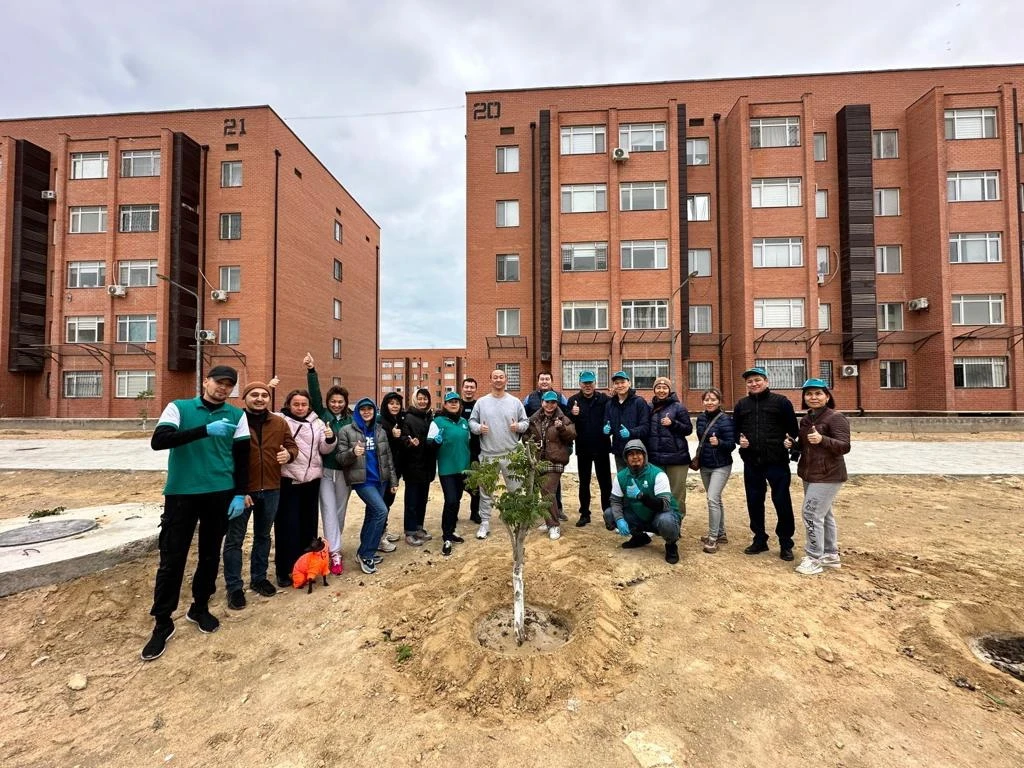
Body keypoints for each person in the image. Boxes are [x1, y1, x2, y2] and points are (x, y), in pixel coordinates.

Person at [142, 365, 250, 661]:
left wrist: (240, 493)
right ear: (206, 381)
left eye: (229, 384)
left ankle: (199, 606)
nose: (223, 388)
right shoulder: (178, 408)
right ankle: (163, 621)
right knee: (172, 558)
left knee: (209, 554)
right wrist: (204, 430)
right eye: (218, 382)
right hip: (182, 494)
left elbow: (242, 457)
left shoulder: (237, 416)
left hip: (219, 492)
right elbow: (159, 441)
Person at [223, 381, 298, 610]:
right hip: (242, 491)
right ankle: (234, 587)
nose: (259, 398)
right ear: (245, 398)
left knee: (263, 536)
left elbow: (291, 446)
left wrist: (290, 455)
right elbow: (226, 456)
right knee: (235, 539)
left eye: (264, 395)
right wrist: (239, 490)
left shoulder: (279, 422)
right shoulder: (235, 421)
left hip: (272, 488)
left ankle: (259, 578)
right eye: (254, 394)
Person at [732, 366, 800, 561]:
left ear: (766, 381)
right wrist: (739, 439)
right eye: (750, 381)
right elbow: (735, 430)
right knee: (754, 501)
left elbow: (793, 430)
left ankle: (786, 542)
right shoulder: (741, 405)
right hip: (752, 461)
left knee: (781, 501)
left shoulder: (781, 402)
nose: (753, 384)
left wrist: (790, 441)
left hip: (776, 461)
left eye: (757, 380)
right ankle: (759, 538)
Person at [785, 378, 851, 575]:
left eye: (818, 393)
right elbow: (807, 445)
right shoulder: (807, 419)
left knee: (811, 514)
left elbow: (844, 446)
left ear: (827, 396)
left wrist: (823, 439)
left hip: (828, 474)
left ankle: (814, 558)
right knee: (824, 514)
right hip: (810, 473)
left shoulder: (835, 417)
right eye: (809, 394)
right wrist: (793, 445)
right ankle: (830, 554)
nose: (813, 397)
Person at [273, 387, 335, 588]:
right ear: (289, 405)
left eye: (304, 404)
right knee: (287, 527)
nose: (300, 408)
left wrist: (329, 438)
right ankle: (285, 569)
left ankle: (307, 566)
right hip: (288, 480)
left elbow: (323, 449)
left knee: (308, 526)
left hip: (311, 481)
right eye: (296, 404)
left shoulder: (316, 423)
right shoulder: (281, 421)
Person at [304, 352, 356, 575]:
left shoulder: (351, 420)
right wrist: (311, 371)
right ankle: (334, 552)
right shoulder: (322, 414)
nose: (336, 405)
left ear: (345, 403)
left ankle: (332, 543)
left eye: (340, 402)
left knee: (340, 512)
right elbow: (314, 395)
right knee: (327, 509)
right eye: (333, 401)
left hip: (345, 473)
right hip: (325, 471)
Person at [336, 398, 400, 574]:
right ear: (357, 411)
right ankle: (366, 554)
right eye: (362, 409)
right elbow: (340, 458)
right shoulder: (346, 431)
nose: (366, 412)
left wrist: (393, 481)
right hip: (362, 481)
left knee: (372, 514)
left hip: (381, 480)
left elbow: (388, 459)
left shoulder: (379, 431)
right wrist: (352, 453)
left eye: (369, 409)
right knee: (381, 511)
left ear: (374, 411)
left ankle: (363, 550)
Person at [468, 368, 530, 539]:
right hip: (488, 454)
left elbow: (526, 422)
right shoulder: (481, 402)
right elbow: (471, 422)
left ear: (506, 380)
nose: (498, 380)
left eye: (501, 377)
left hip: (511, 454)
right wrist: (479, 428)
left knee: (515, 489)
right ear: (490, 380)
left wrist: (518, 427)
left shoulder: (515, 402)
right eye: (495, 377)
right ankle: (485, 522)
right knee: (486, 490)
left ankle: (517, 519)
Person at [603, 440, 681, 564]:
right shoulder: (621, 476)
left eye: (638, 453)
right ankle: (639, 537)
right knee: (609, 514)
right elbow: (615, 500)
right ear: (626, 458)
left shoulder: (658, 474)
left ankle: (671, 544)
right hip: (638, 515)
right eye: (630, 454)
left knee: (666, 520)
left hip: (659, 515)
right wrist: (619, 519)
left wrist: (641, 496)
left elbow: (664, 505)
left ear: (644, 455)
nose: (635, 457)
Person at [524, 391, 577, 540]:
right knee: (542, 491)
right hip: (538, 461)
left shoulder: (563, 419)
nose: (550, 405)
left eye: (553, 402)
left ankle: (554, 525)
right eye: (547, 402)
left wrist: (561, 428)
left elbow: (572, 436)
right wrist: (530, 442)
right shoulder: (534, 419)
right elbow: (526, 435)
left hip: (555, 460)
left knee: (548, 490)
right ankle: (549, 520)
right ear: (542, 402)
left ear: (557, 404)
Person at [428, 392, 472, 556]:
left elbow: (467, 444)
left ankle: (452, 530)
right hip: (447, 469)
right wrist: (435, 443)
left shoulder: (464, 422)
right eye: (450, 402)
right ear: (445, 405)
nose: (454, 404)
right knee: (451, 500)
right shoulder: (438, 422)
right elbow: (429, 445)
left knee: (458, 500)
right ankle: (446, 536)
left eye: (456, 402)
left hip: (463, 468)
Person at [565, 370, 611, 527]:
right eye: (585, 383)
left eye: (590, 383)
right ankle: (585, 513)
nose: (588, 386)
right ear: (580, 384)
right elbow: (566, 422)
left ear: (595, 384)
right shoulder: (573, 400)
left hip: (602, 447)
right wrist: (572, 413)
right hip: (583, 448)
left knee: (605, 483)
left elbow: (614, 411)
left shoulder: (604, 399)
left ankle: (608, 514)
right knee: (584, 482)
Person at [693, 387, 736, 554]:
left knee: (712, 498)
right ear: (703, 401)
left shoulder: (725, 420)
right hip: (705, 465)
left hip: (721, 465)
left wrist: (719, 443)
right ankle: (721, 532)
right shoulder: (701, 418)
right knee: (715, 499)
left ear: (719, 401)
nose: (709, 402)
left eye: (713, 399)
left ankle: (712, 538)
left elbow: (731, 444)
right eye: (707, 399)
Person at [522, 371, 568, 518]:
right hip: (538, 447)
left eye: (547, 379)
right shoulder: (530, 398)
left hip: (555, 446)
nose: (544, 381)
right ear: (538, 381)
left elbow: (567, 418)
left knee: (554, 482)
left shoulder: (560, 397)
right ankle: (537, 510)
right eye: (541, 379)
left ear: (552, 381)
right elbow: (523, 416)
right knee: (537, 481)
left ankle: (558, 510)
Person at [646, 376, 692, 520]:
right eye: (658, 388)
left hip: (677, 458)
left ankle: (676, 521)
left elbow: (688, 429)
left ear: (669, 390)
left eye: (664, 387)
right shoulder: (649, 407)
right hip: (655, 458)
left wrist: (673, 424)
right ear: (654, 390)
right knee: (657, 491)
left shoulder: (679, 407)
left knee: (676, 493)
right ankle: (660, 522)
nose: (661, 390)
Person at [402, 388, 438, 545]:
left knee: (422, 499)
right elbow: (403, 439)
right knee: (411, 500)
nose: (423, 401)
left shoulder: (429, 417)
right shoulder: (408, 417)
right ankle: (409, 531)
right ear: (415, 399)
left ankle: (418, 527)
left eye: (425, 399)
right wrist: (410, 443)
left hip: (427, 465)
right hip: (412, 465)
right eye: (420, 398)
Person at [604, 371, 651, 471]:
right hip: (619, 451)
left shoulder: (639, 402)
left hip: (637, 451)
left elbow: (646, 427)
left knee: (640, 480)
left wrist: (631, 432)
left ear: (629, 383)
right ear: (614, 386)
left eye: (622, 382)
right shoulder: (610, 404)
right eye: (617, 383)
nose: (620, 385)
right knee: (624, 481)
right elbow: (607, 423)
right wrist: (606, 430)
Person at [377, 392, 406, 551]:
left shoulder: (398, 420)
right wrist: (392, 435)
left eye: (397, 403)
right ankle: (379, 537)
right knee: (383, 503)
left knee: (388, 501)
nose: (395, 406)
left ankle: (384, 530)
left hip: (395, 468)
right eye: (391, 403)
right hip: (384, 470)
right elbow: (380, 443)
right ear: (385, 405)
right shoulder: (380, 421)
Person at [459, 377, 483, 524]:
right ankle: (453, 511)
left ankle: (475, 513)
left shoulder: (478, 405)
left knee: (475, 484)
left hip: (475, 450)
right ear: (462, 388)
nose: (469, 390)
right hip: (458, 451)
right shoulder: (456, 404)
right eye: (466, 387)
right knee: (457, 484)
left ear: (475, 389)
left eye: (471, 387)